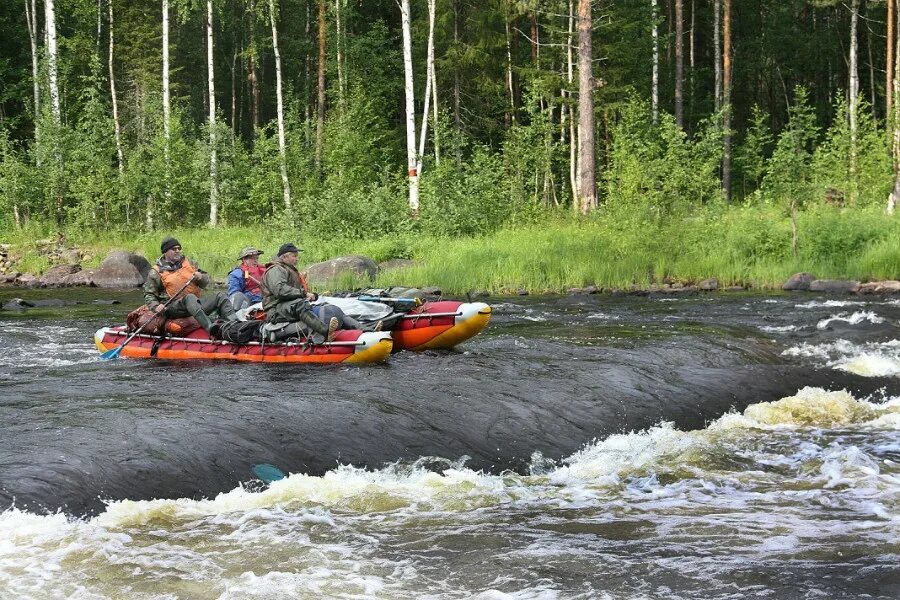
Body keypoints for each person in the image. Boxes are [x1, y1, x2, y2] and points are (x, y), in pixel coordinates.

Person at [260, 243, 382, 343]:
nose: (297, 258)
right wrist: (303, 294)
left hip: (288, 307)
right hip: (276, 310)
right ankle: (325, 331)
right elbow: (280, 291)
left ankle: (366, 329)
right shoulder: (275, 270)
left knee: (332, 308)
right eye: (294, 256)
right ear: (284, 257)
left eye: (297, 256)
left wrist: (308, 295)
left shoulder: (287, 269)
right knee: (299, 304)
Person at [143, 236, 237, 335]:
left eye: (179, 248)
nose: (178, 251)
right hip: (173, 308)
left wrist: (201, 277)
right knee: (189, 298)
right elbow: (149, 294)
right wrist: (156, 306)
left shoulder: (189, 263)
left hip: (196, 305)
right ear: (165, 252)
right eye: (174, 249)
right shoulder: (156, 272)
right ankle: (210, 327)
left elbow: (205, 283)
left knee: (220, 295)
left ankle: (234, 323)